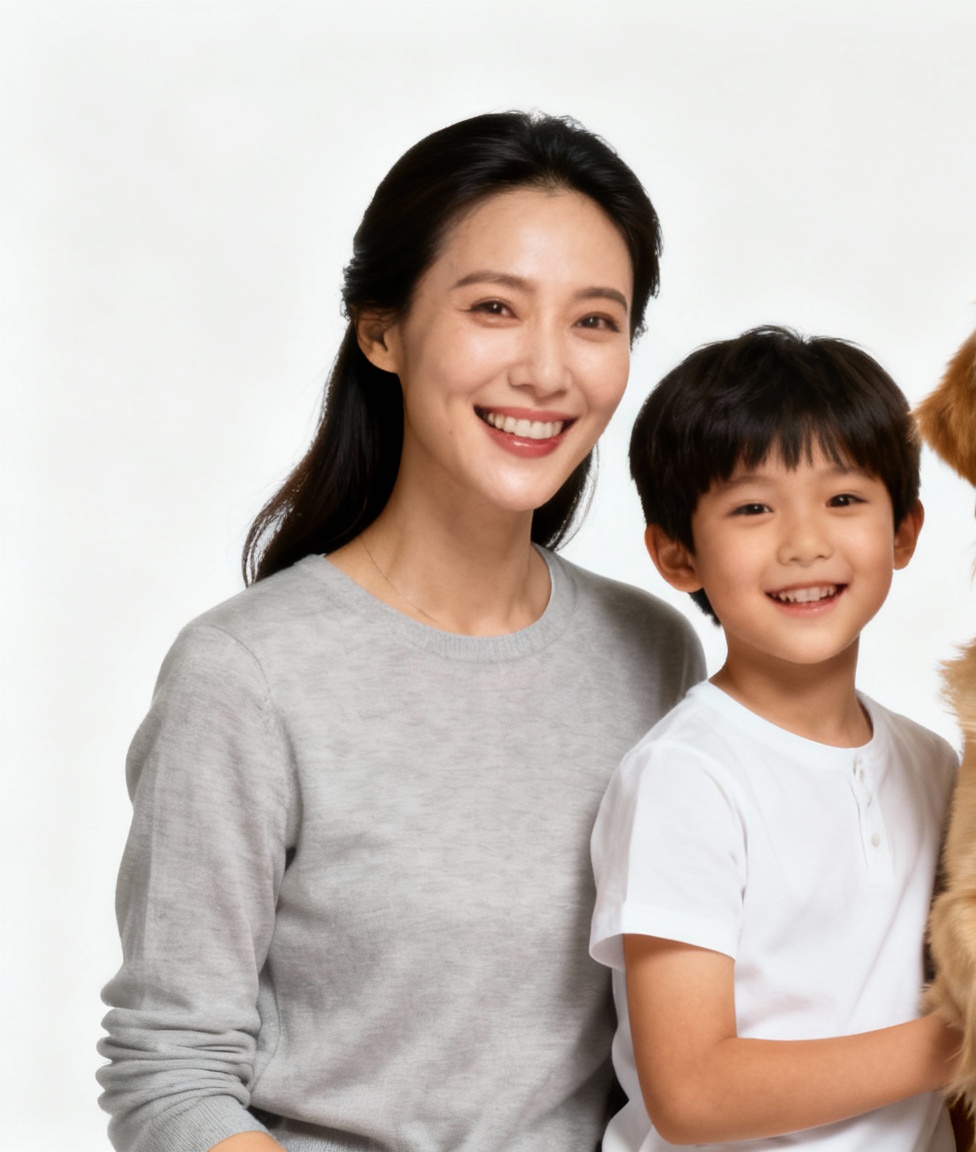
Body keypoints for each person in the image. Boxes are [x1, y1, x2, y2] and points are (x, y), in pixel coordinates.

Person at [98, 113, 705, 1152]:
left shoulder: (655, 654)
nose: (548, 372)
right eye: (494, 309)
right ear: (380, 329)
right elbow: (172, 1076)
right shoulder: (245, 675)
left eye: (594, 322)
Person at [588, 327, 960, 1152]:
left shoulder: (933, 765)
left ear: (904, 532)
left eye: (844, 499)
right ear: (677, 554)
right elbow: (691, 1093)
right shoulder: (686, 777)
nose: (804, 543)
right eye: (753, 508)